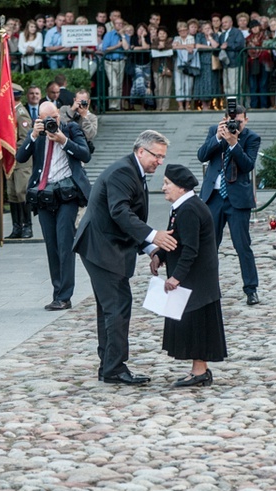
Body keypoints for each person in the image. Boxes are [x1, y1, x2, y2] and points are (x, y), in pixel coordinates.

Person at [73, 130, 178, 385]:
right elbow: (119, 212)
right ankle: (114, 368)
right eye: (157, 156)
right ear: (141, 151)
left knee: (110, 308)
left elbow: (129, 218)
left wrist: (149, 248)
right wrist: (154, 236)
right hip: (101, 248)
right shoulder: (123, 171)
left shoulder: (133, 170)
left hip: (105, 245)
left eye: (163, 157)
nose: (160, 162)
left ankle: (109, 365)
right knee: (117, 307)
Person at [150, 164, 227, 388]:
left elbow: (191, 248)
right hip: (194, 279)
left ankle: (200, 372)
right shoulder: (182, 207)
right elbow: (176, 238)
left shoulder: (190, 209)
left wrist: (176, 278)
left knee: (197, 324)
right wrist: (160, 255)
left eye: (167, 183)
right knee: (191, 323)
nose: (163, 187)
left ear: (181, 188)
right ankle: (198, 370)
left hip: (196, 280)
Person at [17, 102, 91, 311]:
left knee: (65, 244)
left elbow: (85, 154)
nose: (52, 122)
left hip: (67, 195)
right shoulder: (37, 135)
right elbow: (20, 157)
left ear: (59, 115)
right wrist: (33, 135)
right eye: (46, 119)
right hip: (44, 195)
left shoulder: (70, 129)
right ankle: (57, 292)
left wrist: (63, 140)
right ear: (38, 119)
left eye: (55, 118)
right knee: (52, 246)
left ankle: (65, 296)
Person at [197, 104, 260, 305]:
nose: (235, 124)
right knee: (209, 246)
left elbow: (248, 165)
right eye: (232, 120)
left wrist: (234, 143)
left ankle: (251, 289)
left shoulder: (251, 138)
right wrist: (218, 137)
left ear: (246, 120)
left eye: (239, 121)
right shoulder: (214, 132)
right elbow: (202, 156)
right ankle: (209, 288)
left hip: (238, 200)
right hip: (213, 197)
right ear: (224, 119)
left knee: (242, 246)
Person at [7, 84, 34, 240]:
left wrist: (11, 150)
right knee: (12, 194)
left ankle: (27, 226)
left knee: (22, 192)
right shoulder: (11, 112)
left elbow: (24, 139)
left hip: (21, 161)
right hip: (10, 160)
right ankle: (16, 227)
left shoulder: (21, 113)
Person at [102, 18, 130, 111]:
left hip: (121, 61)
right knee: (113, 84)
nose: (119, 25)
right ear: (114, 25)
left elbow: (126, 48)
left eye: (121, 24)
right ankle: (112, 105)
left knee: (119, 85)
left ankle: (118, 106)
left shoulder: (125, 36)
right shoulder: (109, 35)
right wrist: (117, 46)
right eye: (117, 24)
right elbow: (105, 49)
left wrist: (122, 35)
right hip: (109, 61)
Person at [219, 16, 245, 98]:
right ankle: (230, 106)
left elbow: (240, 45)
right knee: (227, 86)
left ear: (231, 23)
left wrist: (228, 45)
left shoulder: (237, 32)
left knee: (234, 86)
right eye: (222, 23)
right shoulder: (222, 35)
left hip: (234, 62)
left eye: (226, 22)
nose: (224, 24)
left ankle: (236, 106)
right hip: (225, 63)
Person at [151, 26, 174, 112]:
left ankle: (165, 107)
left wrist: (163, 47)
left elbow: (171, 48)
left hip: (168, 67)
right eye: (160, 33)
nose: (162, 35)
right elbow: (153, 48)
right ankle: (158, 106)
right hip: (157, 67)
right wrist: (159, 47)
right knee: (158, 88)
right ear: (157, 34)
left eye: (164, 33)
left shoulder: (170, 41)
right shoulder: (154, 41)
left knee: (167, 88)